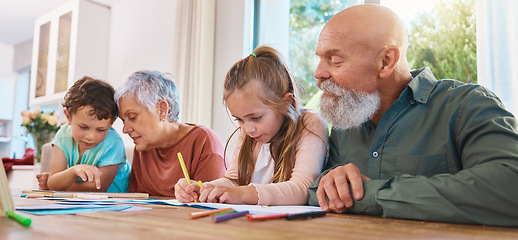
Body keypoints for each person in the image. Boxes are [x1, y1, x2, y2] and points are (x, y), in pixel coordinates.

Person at [308, 4, 518, 226]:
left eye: (335, 60)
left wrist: (369, 195)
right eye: (320, 59)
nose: (318, 73)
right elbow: (318, 192)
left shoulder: (468, 104)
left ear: (386, 61)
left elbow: (509, 186)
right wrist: (329, 184)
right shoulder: (346, 123)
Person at [175, 46, 329, 205]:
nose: (247, 129)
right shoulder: (251, 134)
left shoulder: (309, 124)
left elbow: (302, 188)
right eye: (239, 120)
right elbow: (234, 180)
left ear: (286, 102)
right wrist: (206, 188)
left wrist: (241, 194)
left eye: (255, 117)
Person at [115, 70, 226, 197]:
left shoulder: (204, 142)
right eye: (123, 120)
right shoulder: (142, 148)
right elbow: (136, 201)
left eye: (132, 117)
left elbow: (210, 205)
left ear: (162, 110)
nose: (125, 129)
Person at [37, 76, 130, 192]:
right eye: (83, 127)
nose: (91, 137)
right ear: (68, 117)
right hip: (81, 200)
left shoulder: (113, 142)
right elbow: (53, 182)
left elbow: (99, 187)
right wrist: (73, 171)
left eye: (101, 130)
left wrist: (63, 186)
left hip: (116, 203)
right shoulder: (63, 135)